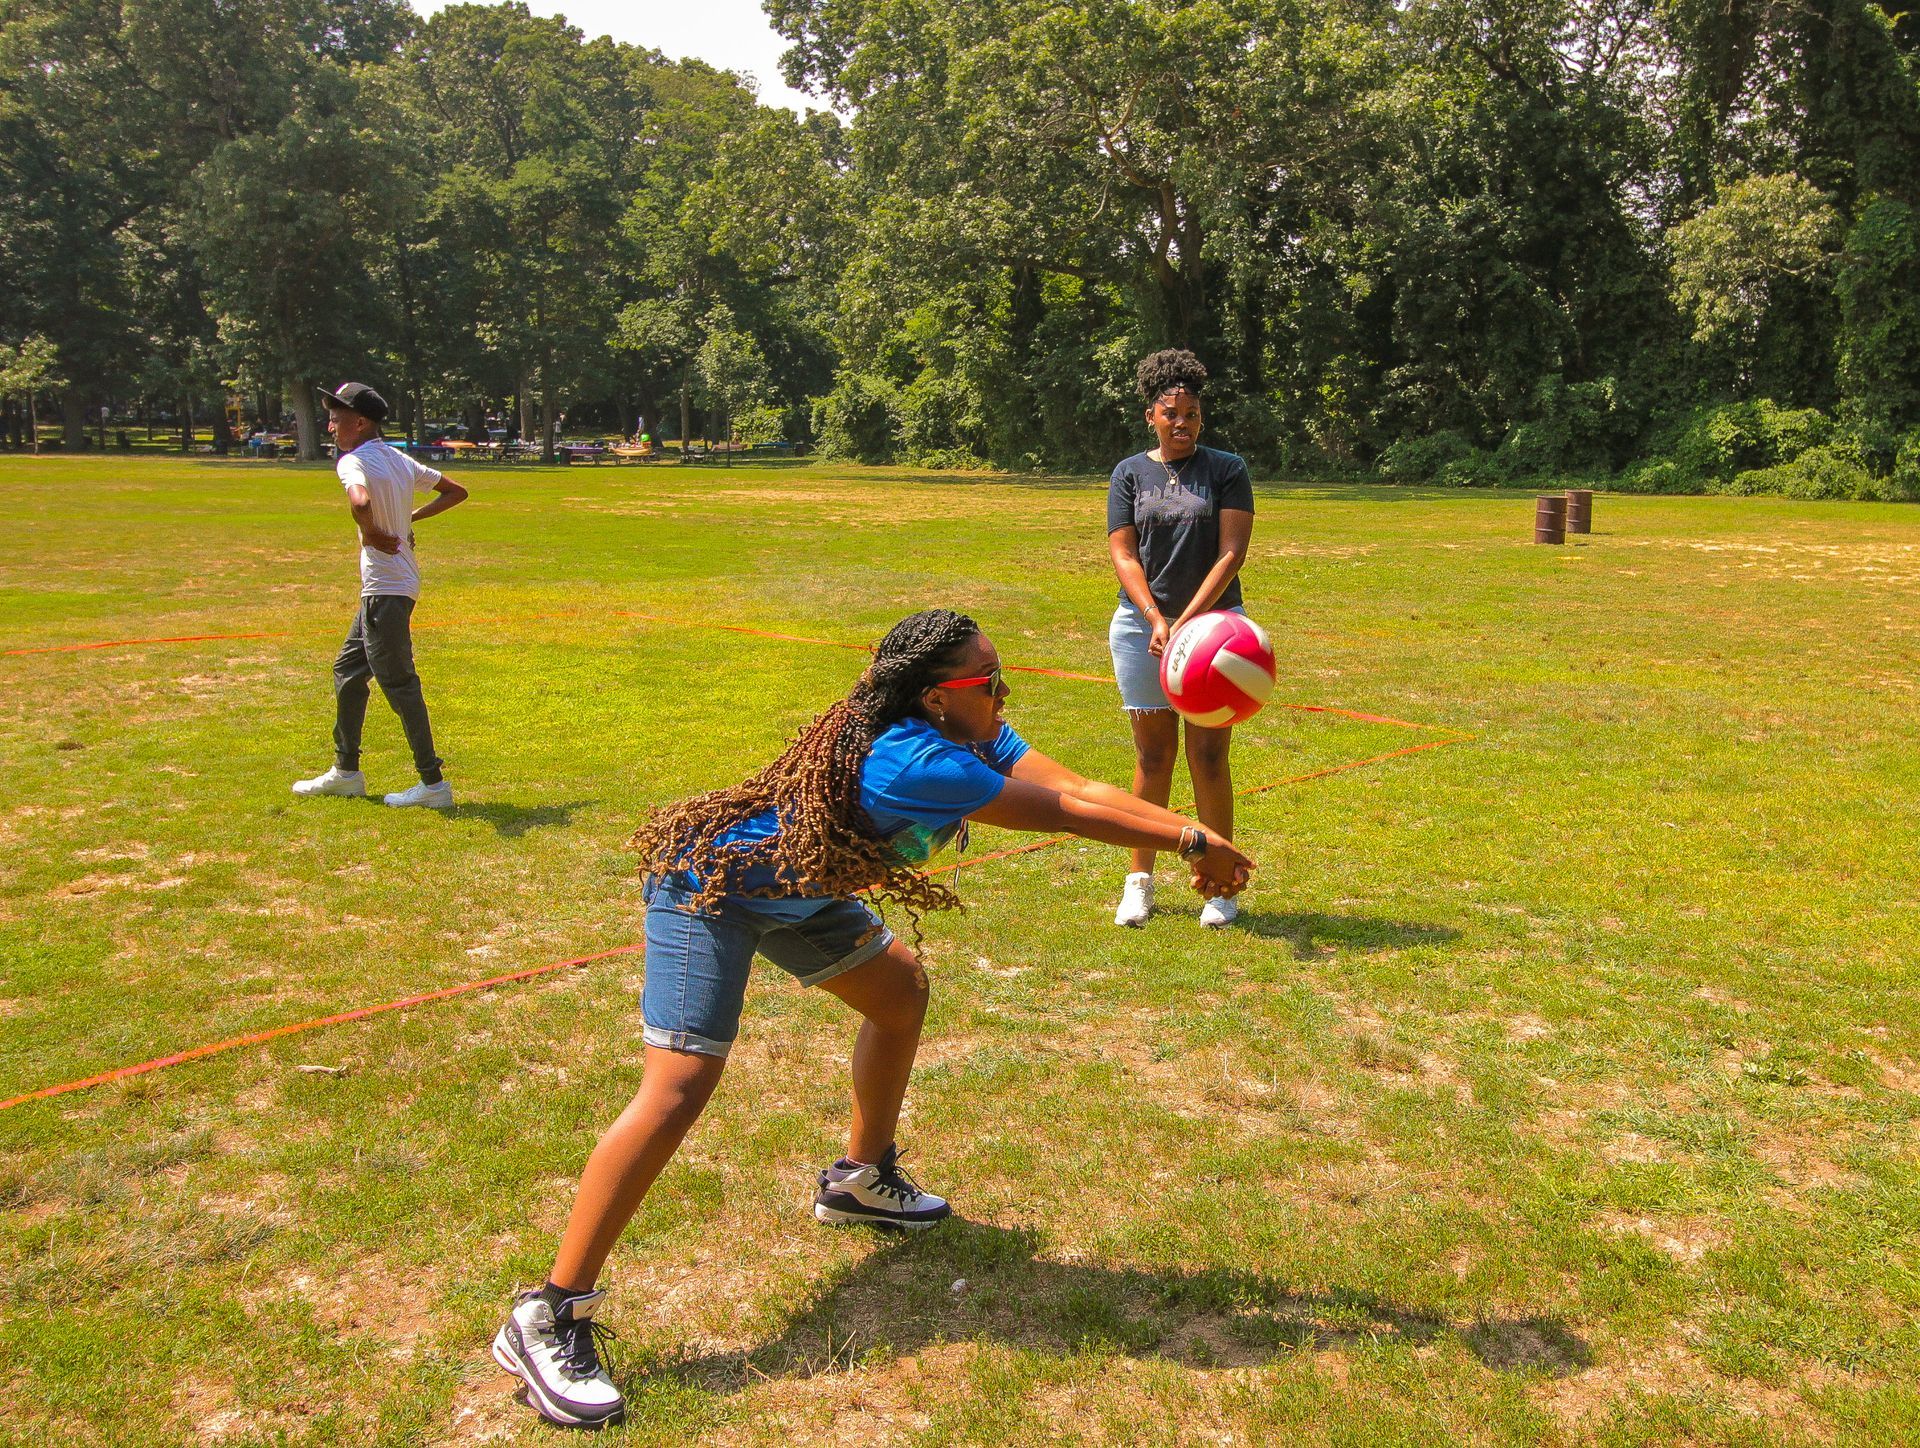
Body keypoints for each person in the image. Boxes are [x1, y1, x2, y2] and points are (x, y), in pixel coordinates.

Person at [491, 609, 1254, 1428]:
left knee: (900, 995)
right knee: (679, 1087)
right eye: (985, 681)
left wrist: (1196, 833)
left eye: (1000, 677)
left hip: (805, 893)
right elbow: (1065, 816)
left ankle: (860, 1181)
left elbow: (1078, 787)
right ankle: (548, 1313)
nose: (1002, 692)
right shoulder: (919, 762)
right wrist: (1188, 843)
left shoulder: (969, 732)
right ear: (933, 697)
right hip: (710, 890)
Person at [1106, 349, 1256, 930]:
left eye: (1192, 414)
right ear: (1151, 416)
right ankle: (1139, 881)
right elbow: (1123, 552)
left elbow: (1231, 552)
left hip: (1217, 631)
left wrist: (1187, 620)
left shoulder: (1226, 468)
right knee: (1152, 754)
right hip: (1141, 628)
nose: (1183, 423)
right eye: (1172, 414)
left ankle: (1221, 884)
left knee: (1210, 755)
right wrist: (1154, 618)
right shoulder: (1129, 473)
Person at [292, 382, 469, 809]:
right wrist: (409, 518)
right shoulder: (398, 459)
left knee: (398, 684)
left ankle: (433, 784)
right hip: (392, 587)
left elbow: (359, 498)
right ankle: (346, 772)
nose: (331, 424)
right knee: (348, 673)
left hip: (385, 591)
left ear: (361, 421)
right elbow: (456, 491)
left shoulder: (352, 462)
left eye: (337, 416)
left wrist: (372, 530)